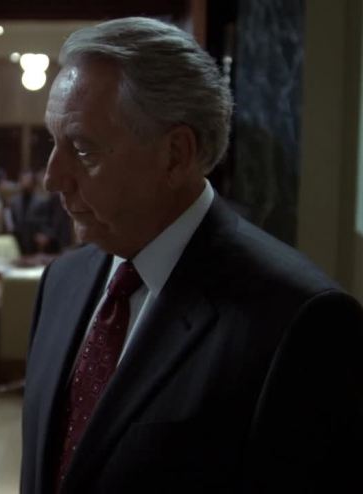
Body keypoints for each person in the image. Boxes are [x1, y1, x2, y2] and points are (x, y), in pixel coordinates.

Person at [21, 17, 363, 494]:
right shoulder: (61, 282)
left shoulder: (302, 320)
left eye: (82, 149)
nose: (52, 178)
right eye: (52, 144)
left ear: (176, 155)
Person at [7, 169, 47, 254]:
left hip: (35, 241)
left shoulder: (41, 201)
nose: (25, 183)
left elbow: (46, 221)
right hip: (18, 239)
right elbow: (12, 221)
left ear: (33, 183)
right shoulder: (14, 202)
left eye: (28, 180)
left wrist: (43, 234)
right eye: (23, 180)